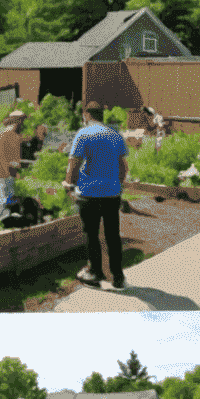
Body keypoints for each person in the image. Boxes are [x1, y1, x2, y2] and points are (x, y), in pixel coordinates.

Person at [66, 101, 128, 289]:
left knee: (91, 234)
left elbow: (74, 164)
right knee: (112, 235)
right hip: (111, 194)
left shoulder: (83, 134)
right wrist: (117, 185)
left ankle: (95, 272)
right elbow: (123, 168)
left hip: (89, 195)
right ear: (102, 115)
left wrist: (69, 185)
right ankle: (117, 276)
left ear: (86, 115)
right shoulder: (116, 136)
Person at [0, 109, 24, 216]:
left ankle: (6, 218)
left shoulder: (11, 134)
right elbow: (1, 156)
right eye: (21, 121)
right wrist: (12, 169)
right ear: (18, 122)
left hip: (7, 170)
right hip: (2, 171)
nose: (22, 124)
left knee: (9, 196)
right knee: (3, 197)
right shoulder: (7, 134)